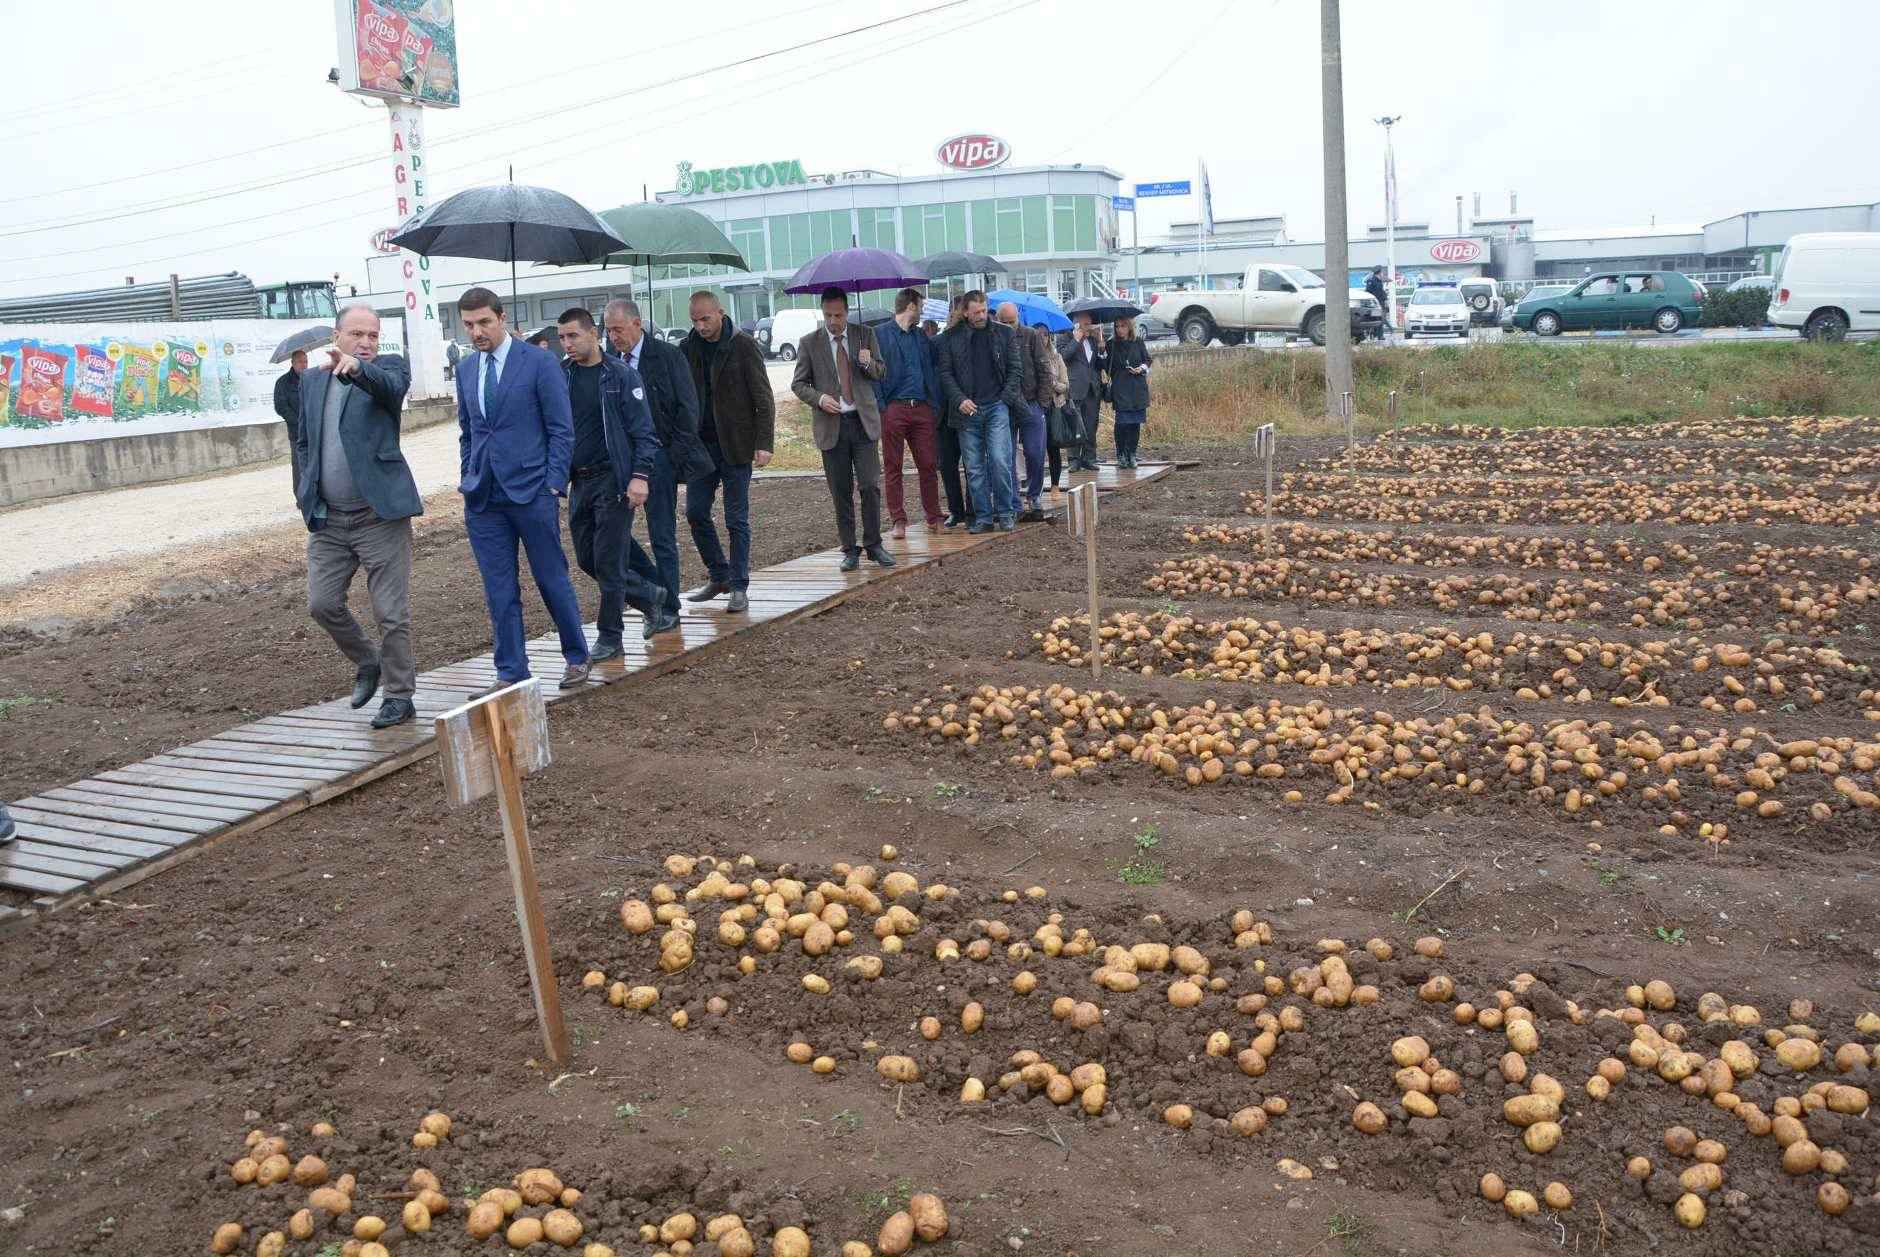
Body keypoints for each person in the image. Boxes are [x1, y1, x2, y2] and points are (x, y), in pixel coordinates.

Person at [453, 286, 593, 691]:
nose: (476, 332)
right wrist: (468, 475)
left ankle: (577, 656)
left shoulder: (538, 362)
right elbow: (469, 432)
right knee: (499, 588)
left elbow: (561, 430)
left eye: (483, 322)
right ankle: (511, 670)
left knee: (552, 578)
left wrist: (552, 485)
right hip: (483, 497)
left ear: (502, 318)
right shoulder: (466, 370)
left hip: (532, 492)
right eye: (468, 325)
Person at [294, 305, 421, 729]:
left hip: (379, 517)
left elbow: (390, 387)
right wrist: (305, 494)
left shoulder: (387, 370)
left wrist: (357, 371)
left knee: (390, 612)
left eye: (373, 335)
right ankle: (368, 660)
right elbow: (305, 442)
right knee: (322, 603)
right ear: (337, 335)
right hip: (329, 520)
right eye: (357, 334)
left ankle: (400, 697)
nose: (366, 342)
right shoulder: (312, 381)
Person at [557, 308, 679, 657]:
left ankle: (611, 636)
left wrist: (640, 476)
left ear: (593, 334)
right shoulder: (561, 375)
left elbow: (644, 433)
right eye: (562, 337)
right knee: (587, 559)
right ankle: (648, 595)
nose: (567, 344)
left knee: (609, 563)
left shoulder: (620, 375)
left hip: (613, 478)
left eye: (573, 336)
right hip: (578, 482)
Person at [603, 298, 711, 630]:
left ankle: (669, 608)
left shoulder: (667, 356)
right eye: (608, 331)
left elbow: (688, 410)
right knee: (613, 536)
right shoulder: (609, 364)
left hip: (661, 458)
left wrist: (669, 459)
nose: (613, 337)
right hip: (621, 463)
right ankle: (647, 593)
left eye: (618, 329)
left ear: (637, 323)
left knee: (661, 535)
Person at [679, 291, 774, 611]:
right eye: (694, 320)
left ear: (720, 312)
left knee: (736, 518)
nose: (700, 325)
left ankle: (739, 585)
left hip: (735, 444)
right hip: (700, 448)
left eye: (705, 318)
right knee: (694, 512)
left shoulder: (743, 345)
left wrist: (764, 443)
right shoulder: (686, 348)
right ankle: (719, 574)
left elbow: (764, 396)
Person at [791, 287, 892, 571]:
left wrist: (867, 362)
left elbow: (881, 372)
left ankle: (874, 544)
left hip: (862, 424)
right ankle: (850, 549)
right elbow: (798, 384)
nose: (833, 321)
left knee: (870, 486)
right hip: (831, 426)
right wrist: (820, 399)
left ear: (847, 312)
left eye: (838, 315)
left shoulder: (864, 335)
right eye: (828, 315)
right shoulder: (810, 343)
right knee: (841, 490)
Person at [935, 289, 1023, 533]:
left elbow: (1016, 370)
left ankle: (1005, 512)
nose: (982, 316)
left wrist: (1004, 400)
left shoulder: (1004, 333)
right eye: (976, 312)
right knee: (974, 467)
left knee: (1000, 460)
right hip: (967, 410)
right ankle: (983, 517)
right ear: (965, 313)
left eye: (984, 310)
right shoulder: (950, 338)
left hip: (996, 406)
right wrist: (959, 399)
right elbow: (945, 374)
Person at [874, 287, 942, 538]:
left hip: (922, 408)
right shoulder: (879, 334)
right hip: (894, 408)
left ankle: (934, 517)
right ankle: (898, 521)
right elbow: (874, 373)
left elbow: (931, 367)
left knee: (928, 464)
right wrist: (882, 406)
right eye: (921, 304)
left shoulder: (921, 336)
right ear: (911, 306)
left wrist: (933, 404)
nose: (923, 309)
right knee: (893, 466)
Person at [996, 302, 1055, 522]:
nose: (1009, 326)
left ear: (1018, 317)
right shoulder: (995, 338)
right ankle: (1013, 501)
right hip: (1006, 405)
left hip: (1031, 403)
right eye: (1005, 322)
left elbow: (1044, 369)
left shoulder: (1031, 336)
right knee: (1006, 456)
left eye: (1012, 322)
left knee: (1035, 452)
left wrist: (1042, 402)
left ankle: (1034, 494)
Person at [933, 295, 971, 525]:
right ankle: (956, 510)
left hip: (967, 409)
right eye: (953, 311)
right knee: (947, 465)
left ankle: (973, 510)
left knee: (972, 463)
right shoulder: (938, 342)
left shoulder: (973, 340)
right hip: (943, 413)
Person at [1058, 314, 1107, 472]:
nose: (1089, 327)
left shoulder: (1092, 339)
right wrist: (1077, 339)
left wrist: (1101, 348)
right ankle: (1073, 460)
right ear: (1076, 324)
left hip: (1092, 388)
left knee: (1091, 424)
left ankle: (1089, 458)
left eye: (1090, 324)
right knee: (1074, 425)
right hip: (1074, 387)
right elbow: (1063, 357)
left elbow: (1100, 365)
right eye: (1086, 324)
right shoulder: (1064, 337)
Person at [1107, 315, 1152, 469]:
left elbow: (1148, 360)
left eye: (1123, 326)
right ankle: (1121, 454)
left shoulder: (1138, 341)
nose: (1120, 329)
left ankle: (1131, 453)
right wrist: (1101, 350)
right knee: (1121, 423)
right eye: (1117, 326)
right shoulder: (1111, 344)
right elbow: (1106, 366)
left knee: (1135, 423)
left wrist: (1141, 368)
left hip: (1137, 387)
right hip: (1120, 387)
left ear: (1129, 326)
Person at [274, 349, 308, 492]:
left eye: (306, 361)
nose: (304, 365)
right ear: (292, 363)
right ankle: (301, 498)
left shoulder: (312, 379)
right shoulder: (283, 382)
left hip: (315, 430)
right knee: (299, 466)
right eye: (300, 362)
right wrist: (299, 422)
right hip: (297, 433)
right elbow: (281, 407)